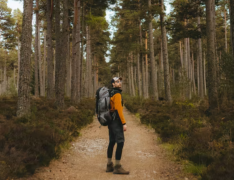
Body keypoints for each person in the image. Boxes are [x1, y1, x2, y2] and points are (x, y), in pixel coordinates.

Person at [106, 77, 129, 175]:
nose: (119, 83)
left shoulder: (110, 93)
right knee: (120, 142)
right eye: (116, 82)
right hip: (116, 121)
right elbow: (119, 109)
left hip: (110, 121)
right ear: (113, 84)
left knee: (112, 141)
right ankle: (117, 167)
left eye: (119, 81)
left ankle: (109, 165)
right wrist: (123, 123)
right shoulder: (117, 94)